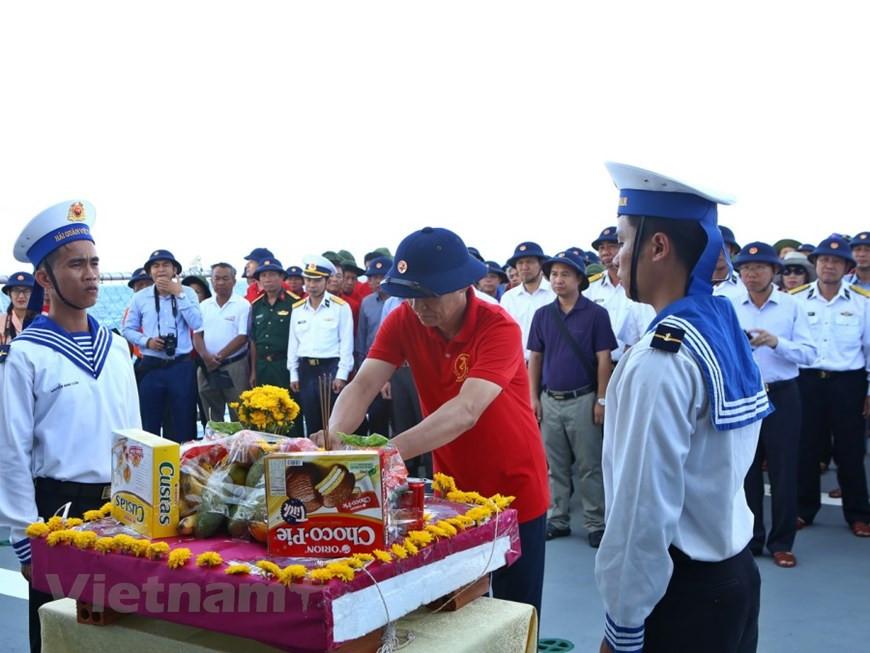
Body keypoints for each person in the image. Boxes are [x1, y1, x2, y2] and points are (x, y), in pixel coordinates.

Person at [314, 226, 550, 619]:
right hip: (452, 489)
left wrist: (384, 454)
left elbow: (466, 410)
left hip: (515, 488)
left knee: (516, 611)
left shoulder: (499, 327)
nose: (419, 306)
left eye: (429, 295)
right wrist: (335, 434)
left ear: (463, 285)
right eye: (409, 295)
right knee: (454, 611)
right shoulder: (404, 320)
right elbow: (365, 383)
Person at [595, 163, 770, 653]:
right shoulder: (719, 323)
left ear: (658, 247)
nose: (615, 258)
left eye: (625, 242)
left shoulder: (659, 358)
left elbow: (642, 508)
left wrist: (623, 626)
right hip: (735, 575)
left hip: (682, 595)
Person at [0, 200, 141, 653]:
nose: (91, 275)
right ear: (44, 278)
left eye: (95, 262)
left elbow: (137, 437)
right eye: (75, 264)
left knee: (121, 632)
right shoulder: (27, 354)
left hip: (122, 510)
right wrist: (25, 536)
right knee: (60, 634)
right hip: (58, 513)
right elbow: (11, 450)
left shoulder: (116, 348)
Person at [730, 242, 816, 568]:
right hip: (746, 394)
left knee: (783, 471)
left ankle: (781, 542)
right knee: (745, 471)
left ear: (774, 272)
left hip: (783, 393)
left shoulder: (791, 307)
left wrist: (775, 342)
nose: (751, 274)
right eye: (745, 269)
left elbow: (809, 354)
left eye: (759, 268)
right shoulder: (730, 305)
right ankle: (750, 539)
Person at [527, 250, 616, 547]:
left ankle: (594, 522)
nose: (558, 280)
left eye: (565, 274)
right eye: (553, 274)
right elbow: (535, 358)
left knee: (590, 465)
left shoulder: (596, 314)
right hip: (550, 399)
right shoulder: (543, 315)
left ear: (579, 278)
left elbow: (605, 359)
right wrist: (533, 397)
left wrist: (601, 400)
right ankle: (558, 519)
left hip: (583, 399)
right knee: (554, 465)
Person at [790, 236, 870, 537]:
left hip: (848, 383)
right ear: (816, 265)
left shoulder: (862, 302)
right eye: (824, 260)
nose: (829, 266)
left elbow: (869, 349)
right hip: (808, 381)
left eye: (836, 261)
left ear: (846, 267)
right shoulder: (796, 299)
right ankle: (803, 509)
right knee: (806, 447)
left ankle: (859, 514)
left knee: (850, 450)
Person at [123, 249, 202, 442]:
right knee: (148, 424)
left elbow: (198, 323)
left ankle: (184, 468)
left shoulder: (188, 293)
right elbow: (128, 329)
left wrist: (180, 295)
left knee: (183, 423)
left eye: (166, 265)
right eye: (156, 266)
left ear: (175, 270)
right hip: (151, 366)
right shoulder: (140, 297)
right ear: (150, 272)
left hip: (181, 366)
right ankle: (148, 470)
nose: (161, 270)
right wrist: (147, 341)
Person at [288, 256, 354, 435]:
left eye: (317, 280)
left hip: (329, 369)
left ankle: (333, 459)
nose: (312, 285)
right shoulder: (297, 309)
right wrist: (293, 373)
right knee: (311, 422)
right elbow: (293, 344)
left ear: (326, 281)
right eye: (308, 279)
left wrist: (342, 374)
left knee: (333, 424)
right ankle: (314, 461)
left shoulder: (340, 307)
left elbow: (347, 344)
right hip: (306, 370)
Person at [585, 227, 656, 363]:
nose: (605, 252)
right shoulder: (590, 288)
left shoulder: (641, 284)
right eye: (601, 248)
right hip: (596, 367)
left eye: (611, 246)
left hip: (632, 362)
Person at [248, 258, 303, 435]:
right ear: (258, 281)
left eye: (272, 274)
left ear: (282, 278)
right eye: (263, 275)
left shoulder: (294, 303)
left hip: (284, 365)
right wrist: (253, 371)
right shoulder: (256, 306)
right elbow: (253, 340)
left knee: (289, 412)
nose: (268, 279)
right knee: (265, 413)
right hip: (263, 365)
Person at [193, 263, 250, 422]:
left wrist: (218, 357)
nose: (221, 282)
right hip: (207, 366)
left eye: (225, 278)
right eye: (216, 278)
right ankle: (216, 446)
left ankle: (240, 446)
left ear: (233, 281)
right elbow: (197, 334)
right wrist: (206, 357)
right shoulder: (204, 306)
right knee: (212, 415)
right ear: (211, 281)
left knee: (239, 414)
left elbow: (243, 336)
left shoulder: (243, 305)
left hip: (234, 365)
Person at [354, 256, 394, 436]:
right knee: (377, 418)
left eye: (380, 276)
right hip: (374, 367)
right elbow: (361, 338)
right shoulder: (367, 302)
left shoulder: (402, 301)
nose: (376, 281)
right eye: (371, 277)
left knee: (402, 418)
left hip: (398, 369)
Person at [500, 241, 555, 361]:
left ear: (541, 264)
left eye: (529, 261)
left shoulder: (555, 293)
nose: (524, 267)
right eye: (520, 263)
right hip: (518, 365)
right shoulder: (508, 298)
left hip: (550, 363)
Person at [1, 272, 36, 346]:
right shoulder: (1, 321)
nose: (21, 296)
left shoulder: (46, 319)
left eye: (27, 291)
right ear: (9, 294)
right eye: (16, 291)